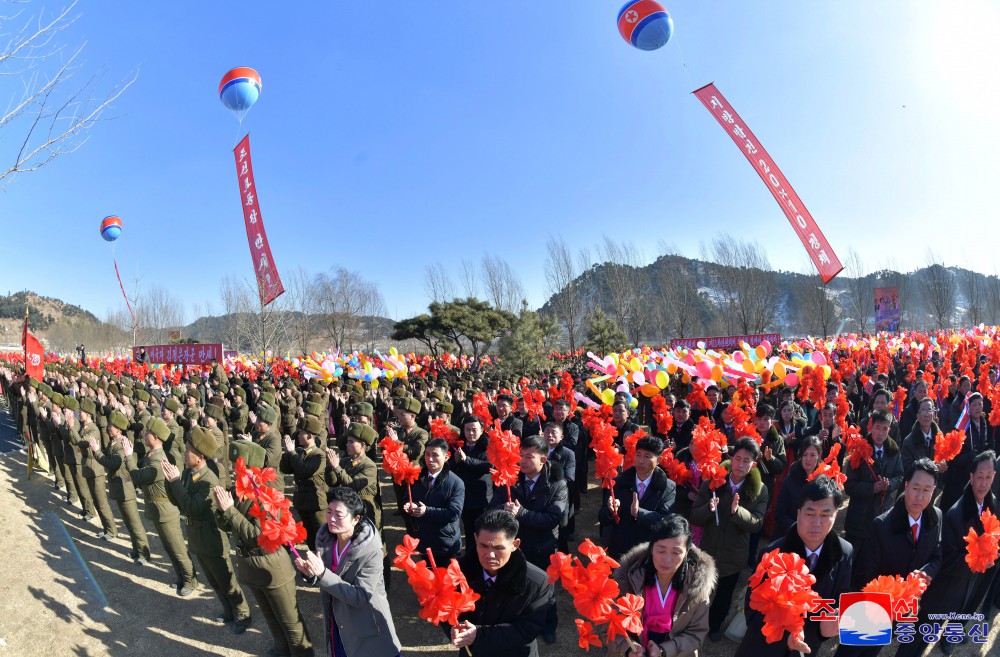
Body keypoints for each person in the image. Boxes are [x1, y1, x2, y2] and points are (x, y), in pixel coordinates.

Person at [734, 475, 853, 657]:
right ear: (798, 514)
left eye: (825, 515)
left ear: (835, 515)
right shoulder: (773, 553)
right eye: (810, 513)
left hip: (807, 647)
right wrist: (786, 634)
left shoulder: (844, 552)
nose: (817, 523)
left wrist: (825, 630)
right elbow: (753, 611)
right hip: (765, 647)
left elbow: (836, 601)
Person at [895, 451, 998, 657]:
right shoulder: (956, 514)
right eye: (979, 476)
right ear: (971, 477)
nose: (983, 483)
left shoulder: (992, 504)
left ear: (994, 476)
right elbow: (947, 559)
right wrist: (977, 560)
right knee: (917, 636)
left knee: (927, 638)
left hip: (964, 588)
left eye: (988, 476)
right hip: (943, 591)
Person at [216, 441, 314, 657]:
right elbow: (227, 525)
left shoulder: (265, 497)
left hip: (271, 567)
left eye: (238, 466)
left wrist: (230, 511)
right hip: (251, 567)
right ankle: (281, 649)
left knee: (290, 621)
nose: (233, 471)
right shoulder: (237, 492)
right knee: (270, 616)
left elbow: (259, 537)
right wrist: (221, 510)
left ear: (252, 470)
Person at [836, 459, 942, 657]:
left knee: (873, 651)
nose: (920, 496)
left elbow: (937, 555)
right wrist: (889, 595)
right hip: (869, 610)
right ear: (906, 485)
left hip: (899, 613)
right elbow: (862, 577)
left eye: (927, 490)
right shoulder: (882, 526)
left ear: (934, 490)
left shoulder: (935, 517)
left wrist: (925, 573)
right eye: (916, 488)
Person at [163, 426, 252, 633]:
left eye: (188, 451)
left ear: (201, 456)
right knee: (213, 580)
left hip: (211, 539)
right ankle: (228, 611)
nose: (185, 454)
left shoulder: (209, 481)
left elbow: (191, 507)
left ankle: (242, 614)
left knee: (226, 580)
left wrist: (175, 482)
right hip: (197, 538)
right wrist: (171, 482)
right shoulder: (188, 473)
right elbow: (177, 502)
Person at [295, 487, 401, 657]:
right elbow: (326, 580)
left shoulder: (371, 550)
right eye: (329, 512)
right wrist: (312, 575)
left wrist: (322, 574)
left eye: (339, 514)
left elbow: (360, 596)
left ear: (355, 519)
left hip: (367, 622)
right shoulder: (327, 540)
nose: (331, 519)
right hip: (337, 619)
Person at [489, 433, 567, 643]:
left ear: (543, 459)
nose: (522, 461)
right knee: (516, 586)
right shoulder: (511, 479)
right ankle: (520, 621)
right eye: (520, 455)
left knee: (545, 591)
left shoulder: (557, 484)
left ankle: (549, 626)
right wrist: (503, 509)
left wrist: (521, 513)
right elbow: (492, 507)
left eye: (528, 456)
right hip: (515, 545)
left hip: (543, 546)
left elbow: (552, 519)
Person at [691, 436, 768, 642]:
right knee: (700, 591)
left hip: (734, 554)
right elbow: (695, 515)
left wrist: (737, 512)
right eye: (737, 458)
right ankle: (693, 624)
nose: (740, 464)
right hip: (708, 548)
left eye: (747, 460)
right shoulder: (713, 481)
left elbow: (757, 523)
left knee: (724, 595)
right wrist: (709, 508)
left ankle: (714, 625)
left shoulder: (759, 489)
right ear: (731, 458)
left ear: (754, 462)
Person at [447, 509, 554, 657]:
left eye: (498, 548)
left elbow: (529, 628)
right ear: (475, 539)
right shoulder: (456, 572)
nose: (490, 555)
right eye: (483, 546)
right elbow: (445, 609)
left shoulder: (537, 582)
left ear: (515, 544)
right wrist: (453, 628)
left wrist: (479, 635)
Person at [610, 515, 717, 657]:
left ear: (686, 553)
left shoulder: (697, 588)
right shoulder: (628, 579)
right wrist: (630, 648)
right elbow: (612, 624)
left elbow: (696, 634)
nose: (667, 559)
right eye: (661, 550)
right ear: (651, 548)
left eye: (676, 552)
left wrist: (664, 651)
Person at [599, 435, 676, 559]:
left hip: (648, 550)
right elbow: (602, 517)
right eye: (638, 454)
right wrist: (610, 511)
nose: (641, 461)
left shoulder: (668, 487)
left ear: (659, 460)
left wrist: (639, 513)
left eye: (647, 456)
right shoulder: (618, 482)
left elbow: (665, 521)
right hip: (620, 548)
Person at [842, 410, 904, 552]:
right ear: (871, 427)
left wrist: (889, 485)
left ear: (889, 429)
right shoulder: (859, 450)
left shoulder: (894, 450)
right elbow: (849, 486)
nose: (880, 433)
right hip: (859, 517)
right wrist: (872, 488)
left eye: (884, 429)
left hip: (882, 513)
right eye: (877, 427)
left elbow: (899, 475)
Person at [96, 410, 152, 563]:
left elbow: (114, 464)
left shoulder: (121, 444)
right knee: (127, 521)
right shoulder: (113, 442)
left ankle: (144, 553)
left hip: (125, 487)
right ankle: (136, 549)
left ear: (118, 429)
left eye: (111, 426)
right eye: (108, 425)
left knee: (134, 522)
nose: (108, 428)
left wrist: (97, 453)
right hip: (118, 487)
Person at [405, 437, 465, 564]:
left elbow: (454, 513)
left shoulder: (456, 483)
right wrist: (410, 505)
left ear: (446, 457)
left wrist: (427, 512)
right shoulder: (417, 477)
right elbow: (409, 497)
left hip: (446, 543)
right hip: (424, 539)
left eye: (435, 455)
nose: (430, 459)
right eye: (427, 454)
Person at [280, 415, 328, 551]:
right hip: (302, 499)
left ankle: (326, 566)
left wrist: (292, 453)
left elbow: (304, 471)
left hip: (316, 501)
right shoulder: (299, 452)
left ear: (310, 436)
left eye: (301, 433)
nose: (298, 436)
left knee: (322, 536)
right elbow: (285, 468)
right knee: (309, 536)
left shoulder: (319, 455)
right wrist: (287, 453)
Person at [451, 414, 493, 551]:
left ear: (481, 430)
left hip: (482, 497)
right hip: (464, 496)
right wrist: (455, 461)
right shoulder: (457, 445)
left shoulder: (488, 446)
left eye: (474, 429)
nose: (470, 433)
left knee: (483, 531)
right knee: (469, 531)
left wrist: (467, 460)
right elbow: (449, 468)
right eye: (467, 429)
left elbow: (489, 466)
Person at [772, 436, 822, 540]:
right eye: (805, 455)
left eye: (812, 455)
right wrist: (799, 528)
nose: (808, 459)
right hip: (789, 534)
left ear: (819, 455)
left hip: (814, 536)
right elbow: (780, 513)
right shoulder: (790, 480)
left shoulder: (824, 481)